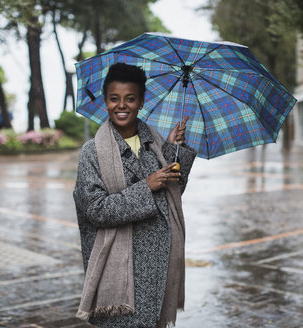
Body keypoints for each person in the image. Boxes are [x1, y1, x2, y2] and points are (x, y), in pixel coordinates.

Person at [73, 63, 196, 328]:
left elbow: (171, 198)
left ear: (141, 102)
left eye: (130, 98)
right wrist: (146, 186)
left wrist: (174, 150)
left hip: (157, 266)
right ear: (105, 101)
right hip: (117, 270)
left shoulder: (155, 143)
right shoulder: (93, 152)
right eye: (114, 98)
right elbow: (95, 210)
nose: (122, 105)